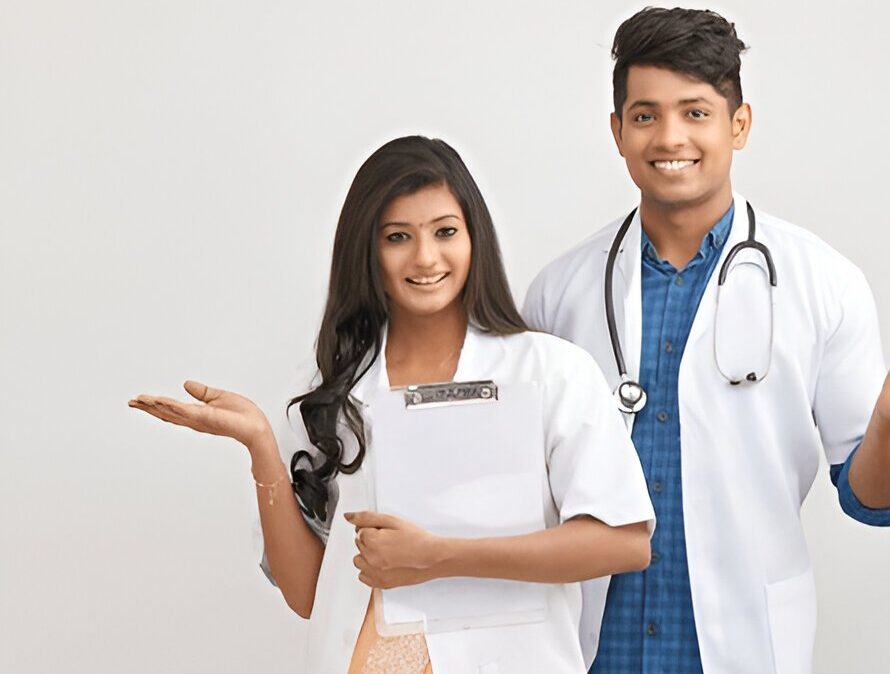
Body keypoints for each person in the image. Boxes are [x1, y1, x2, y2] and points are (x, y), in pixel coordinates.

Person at [522, 8, 890, 674]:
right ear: (617, 132)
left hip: (742, 648)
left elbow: (875, 502)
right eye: (645, 115)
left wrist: (888, 423)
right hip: (589, 651)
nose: (670, 137)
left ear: (739, 124)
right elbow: (524, 493)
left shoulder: (823, 283)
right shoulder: (558, 294)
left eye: (695, 112)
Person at [129, 136, 655, 674]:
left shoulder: (549, 372)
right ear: (368, 251)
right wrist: (261, 445)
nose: (425, 258)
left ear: (474, 236)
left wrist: (441, 557)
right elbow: (311, 594)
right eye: (398, 237)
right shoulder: (331, 393)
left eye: (445, 232)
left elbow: (623, 542)